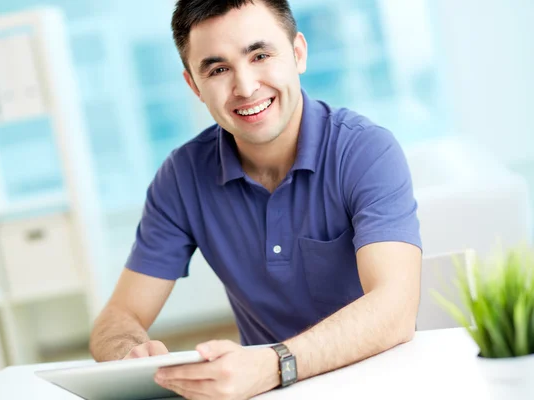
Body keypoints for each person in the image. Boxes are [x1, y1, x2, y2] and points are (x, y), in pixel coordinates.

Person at [89, 0, 422, 398]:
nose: (245, 87)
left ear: (297, 53)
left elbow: (395, 308)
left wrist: (273, 364)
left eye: (260, 55)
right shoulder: (181, 177)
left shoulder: (365, 150)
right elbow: (119, 316)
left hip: (382, 384)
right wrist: (131, 353)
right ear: (194, 86)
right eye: (218, 69)